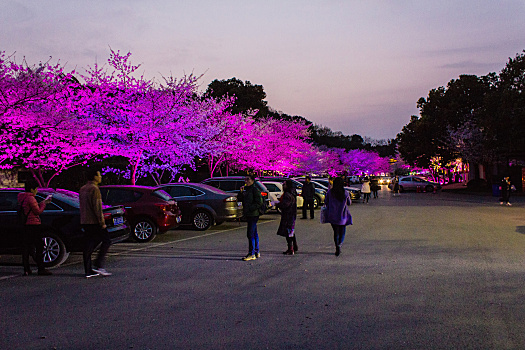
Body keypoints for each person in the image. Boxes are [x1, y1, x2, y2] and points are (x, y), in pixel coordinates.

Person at [80, 169, 112, 278]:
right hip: (94, 221)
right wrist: (102, 222)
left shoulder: (82, 189)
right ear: (94, 177)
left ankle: (88, 270)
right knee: (106, 240)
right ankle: (98, 264)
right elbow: (97, 207)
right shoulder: (94, 189)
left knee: (88, 244)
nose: (100, 177)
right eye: (99, 175)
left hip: (85, 220)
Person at [17, 180, 53, 276]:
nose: (36, 191)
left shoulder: (22, 197)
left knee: (27, 247)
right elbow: (37, 211)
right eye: (36, 189)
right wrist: (44, 203)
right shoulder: (31, 198)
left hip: (25, 224)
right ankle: (41, 268)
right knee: (39, 246)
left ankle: (26, 268)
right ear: (32, 189)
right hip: (33, 224)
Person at [324, 177, 352, 256]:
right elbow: (349, 203)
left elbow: (326, 202)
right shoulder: (345, 192)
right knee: (342, 231)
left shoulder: (330, 192)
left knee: (336, 232)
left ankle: (337, 246)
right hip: (343, 215)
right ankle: (340, 244)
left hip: (332, 215)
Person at [237, 174, 263, 261]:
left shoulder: (254, 189)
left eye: (248, 179)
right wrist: (240, 192)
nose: (246, 181)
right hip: (249, 214)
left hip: (253, 214)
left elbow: (259, 202)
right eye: (245, 179)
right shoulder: (246, 190)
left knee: (250, 234)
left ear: (252, 180)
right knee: (254, 233)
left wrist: (250, 208)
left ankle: (251, 253)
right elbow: (240, 199)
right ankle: (256, 251)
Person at [276, 180, 298, 255]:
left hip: (288, 215)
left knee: (288, 232)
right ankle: (294, 246)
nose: (283, 185)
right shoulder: (293, 193)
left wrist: (278, 204)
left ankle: (291, 248)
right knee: (291, 231)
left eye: (284, 184)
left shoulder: (287, 194)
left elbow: (285, 204)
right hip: (292, 214)